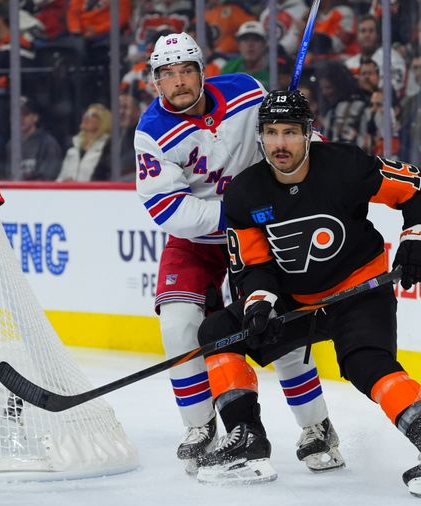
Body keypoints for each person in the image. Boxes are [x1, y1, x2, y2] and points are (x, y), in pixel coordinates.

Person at [195, 89, 421, 495]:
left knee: (366, 364)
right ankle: (246, 440)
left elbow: (416, 185)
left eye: (289, 132)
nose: (280, 144)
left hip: (358, 289)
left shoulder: (346, 166)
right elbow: (253, 265)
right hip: (296, 301)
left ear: (308, 135)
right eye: (270, 133)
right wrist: (260, 304)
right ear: (260, 138)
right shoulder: (245, 192)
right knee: (218, 331)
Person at [133, 32, 345, 474]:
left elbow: (286, 135)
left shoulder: (247, 90)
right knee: (179, 326)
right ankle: (200, 426)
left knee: (280, 330)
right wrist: (240, 214)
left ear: (202, 70)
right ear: (155, 82)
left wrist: (315, 152)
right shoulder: (152, 133)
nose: (179, 81)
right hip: (199, 243)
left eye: (186, 70)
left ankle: (317, 428)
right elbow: (167, 208)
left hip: (260, 240)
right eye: (167, 74)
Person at [5, 97, 63, 181]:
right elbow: (7, 177)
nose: (21, 119)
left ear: (35, 117)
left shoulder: (48, 144)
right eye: (16, 115)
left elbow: (48, 178)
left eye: (25, 114)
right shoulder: (10, 145)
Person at [57, 103, 112, 181]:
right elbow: (60, 177)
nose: (86, 117)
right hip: (68, 192)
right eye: (86, 113)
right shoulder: (73, 145)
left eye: (92, 115)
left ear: (103, 121)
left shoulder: (107, 148)